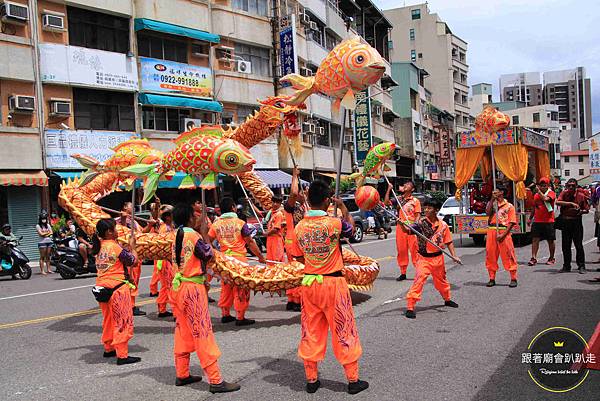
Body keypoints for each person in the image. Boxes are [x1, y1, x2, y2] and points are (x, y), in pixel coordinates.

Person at [289, 180, 368, 395]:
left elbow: (296, 255)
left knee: (311, 330)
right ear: (326, 200)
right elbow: (351, 231)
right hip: (334, 283)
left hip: (310, 283)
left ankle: (311, 379)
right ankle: (352, 380)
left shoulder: (299, 227)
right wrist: (343, 208)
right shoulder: (335, 223)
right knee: (344, 329)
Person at [170, 203, 240, 393]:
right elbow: (208, 255)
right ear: (190, 218)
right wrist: (204, 235)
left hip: (179, 288)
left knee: (182, 330)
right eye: (196, 214)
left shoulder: (174, 234)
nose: (199, 216)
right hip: (193, 288)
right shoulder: (193, 235)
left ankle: (182, 373)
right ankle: (216, 380)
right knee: (202, 332)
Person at [400, 197, 460, 319]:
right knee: (419, 280)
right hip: (424, 259)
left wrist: (454, 255)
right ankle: (410, 306)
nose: (426, 210)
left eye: (429, 208)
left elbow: (448, 241)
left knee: (441, 281)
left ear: (436, 210)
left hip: (438, 258)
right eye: (425, 208)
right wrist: (401, 224)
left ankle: (447, 299)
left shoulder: (443, 225)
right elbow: (407, 230)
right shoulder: (420, 224)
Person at [208, 197, 265, 325]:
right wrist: (260, 256)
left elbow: (208, 241)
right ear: (233, 207)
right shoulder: (240, 223)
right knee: (241, 287)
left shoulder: (216, 224)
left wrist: (215, 253)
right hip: (239, 260)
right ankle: (240, 316)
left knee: (226, 286)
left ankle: (225, 314)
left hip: (224, 261)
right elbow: (249, 242)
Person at [92, 218, 141, 365]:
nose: (118, 231)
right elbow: (133, 261)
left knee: (108, 320)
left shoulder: (99, 247)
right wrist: (133, 247)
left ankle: (108, 348)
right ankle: (122, 355)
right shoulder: (115, 247)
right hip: (117, 289)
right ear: (109, 232)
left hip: (102, 288)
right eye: (115, 228)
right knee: (122, 321)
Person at [116, 201, 156, 316]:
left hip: (135, 255)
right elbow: (121, 234)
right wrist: (123, 220)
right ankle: (130, 306)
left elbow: (142, 233)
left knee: (134, 281)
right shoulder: (118, 221)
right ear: (124, 207)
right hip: (126, 256)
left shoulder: (133, 221)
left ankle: (129, 304)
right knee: (130, 281)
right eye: (130, 206)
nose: (133, 208)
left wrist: (149, 225)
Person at [384, 181, 421, 281]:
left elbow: (417, 215)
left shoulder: (415, 201)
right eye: (404, 184)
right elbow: (386, 203)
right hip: (400, 227)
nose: (405, 185)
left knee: (414, 250)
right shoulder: (398, 199)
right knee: (401, 250)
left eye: (408, 184)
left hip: (411, 227)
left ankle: (418, 272)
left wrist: (415, 227)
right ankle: (403, 272)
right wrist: (388, 189)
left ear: (412, 189)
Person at [283, 167, 307, 311]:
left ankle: (292, 299)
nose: (303, 192)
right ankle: (297, 300)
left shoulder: (303, 206)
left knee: (294, 270)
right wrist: (294, 176)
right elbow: (293, 192)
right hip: (294, 242)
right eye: (302, 190)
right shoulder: (289, 206)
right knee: (299, 271)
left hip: (298, 241)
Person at [485, 185, 518, 287]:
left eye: (497, 191)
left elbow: (512, 222)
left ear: (502, 192)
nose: (494, 192)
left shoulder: (509, 206)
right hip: (491, 230)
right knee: (490, 255)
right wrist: (492, 199)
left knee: (508, 254)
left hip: (504, 231)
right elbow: (487, 213)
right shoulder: (492, 204)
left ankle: (513, 278)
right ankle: (491, 278)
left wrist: (503, 235)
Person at [556, 178, 589, 273]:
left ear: (576, 186)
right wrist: (570, 203)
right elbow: (557, 202)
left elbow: (586, 209)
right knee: (565, 245)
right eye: (569, 185)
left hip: (576, 222)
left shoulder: (581, 196)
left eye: (573, 185)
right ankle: (566, 266)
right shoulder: (564, 193)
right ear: (566, 186)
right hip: (565, 222)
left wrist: (580, 211)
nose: (570, 187)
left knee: (578, 245)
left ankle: (581, 266)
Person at [528, 177, 556, 266]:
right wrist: (530, 218)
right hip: (537, 221)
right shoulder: (536, 195)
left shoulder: (551, 193)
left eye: (545, 185)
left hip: (549, 221)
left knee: (550, 240)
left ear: (548, 186)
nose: (543, 187)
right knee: (535, 239)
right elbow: (534, 207)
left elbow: (546, 199)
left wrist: (538, 191)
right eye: (541, 185)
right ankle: (533, 258)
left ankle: (551, 257)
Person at [156, 205, 175, 318]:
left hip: (166, 260)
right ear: (168, 217)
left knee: (165, 286)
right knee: (170, 286)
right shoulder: (165, 228)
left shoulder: (169, 227)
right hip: (166, 261)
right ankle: (175, 312)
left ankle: (162, 308)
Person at [265, 195, 285, 263]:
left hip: (276, 239)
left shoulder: (279, 214)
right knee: (270, 260)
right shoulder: (272, 213)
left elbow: (276, 229)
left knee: (277, 260)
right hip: (270, 239)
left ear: (280, 204)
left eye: (277, 203)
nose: (275, 204)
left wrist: (266, 233)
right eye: (274, 202)